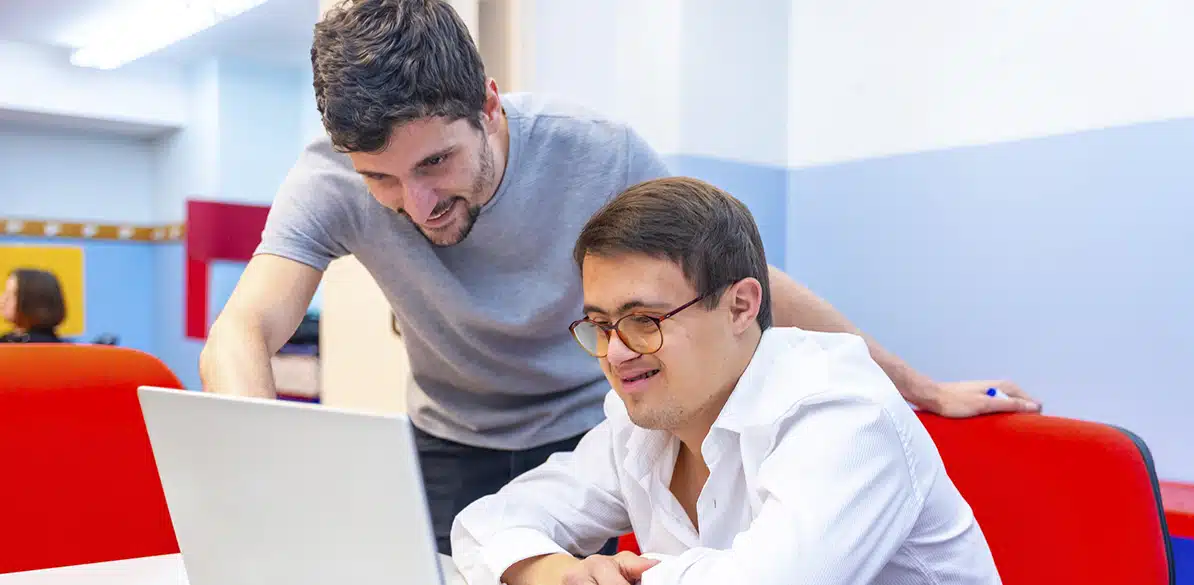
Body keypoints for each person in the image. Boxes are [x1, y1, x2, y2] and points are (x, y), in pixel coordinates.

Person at [199, 0, 1039, 554]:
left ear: (489, 106)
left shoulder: (594, 151)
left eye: (436, 164)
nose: (416, 205)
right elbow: (242, 330)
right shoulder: (330, 180)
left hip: (588, 424)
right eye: (381, 180)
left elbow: (740, 275)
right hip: (452, 434)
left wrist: (917, 385)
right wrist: (263, 465)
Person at [450, 177, 1001, 585]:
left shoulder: (844, 413)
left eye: (644, 320)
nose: (616, 352)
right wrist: (551, 571)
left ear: (740, 306)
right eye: (600, 324)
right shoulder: (643, 421)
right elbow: (484, 524)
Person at [0, 268, 66, 344]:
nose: (2, 300)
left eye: (14, 294)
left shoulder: (47, 346)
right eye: (5, 292)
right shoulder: (6, 340)